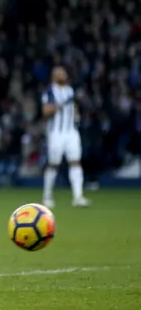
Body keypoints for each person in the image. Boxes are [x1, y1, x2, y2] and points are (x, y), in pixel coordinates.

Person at [41, 66, 90, 208]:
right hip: (56, 132)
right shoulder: (49, 91)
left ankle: (78, 196)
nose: (63, 75)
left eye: (64, 73)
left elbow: (73, 108)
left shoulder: (70, 91)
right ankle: (47, 196)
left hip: (71, 131)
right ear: (54, 76)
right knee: (53, 164)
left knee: (75, 162)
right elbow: (46, 111)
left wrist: (76, 115)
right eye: (60, 74)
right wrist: (59, 105)